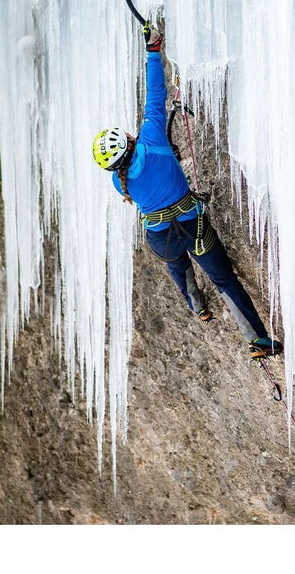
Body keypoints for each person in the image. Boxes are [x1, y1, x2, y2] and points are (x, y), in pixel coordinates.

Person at [92, 25, 282, 360]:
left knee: (178, 268)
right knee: (224, 280)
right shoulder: (151, 137)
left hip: (161, 237)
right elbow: (155, 95)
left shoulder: (118, 181)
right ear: (128, 140)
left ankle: (196, 305)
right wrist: (153, 50)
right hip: (192, 224)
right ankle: (257, 340)